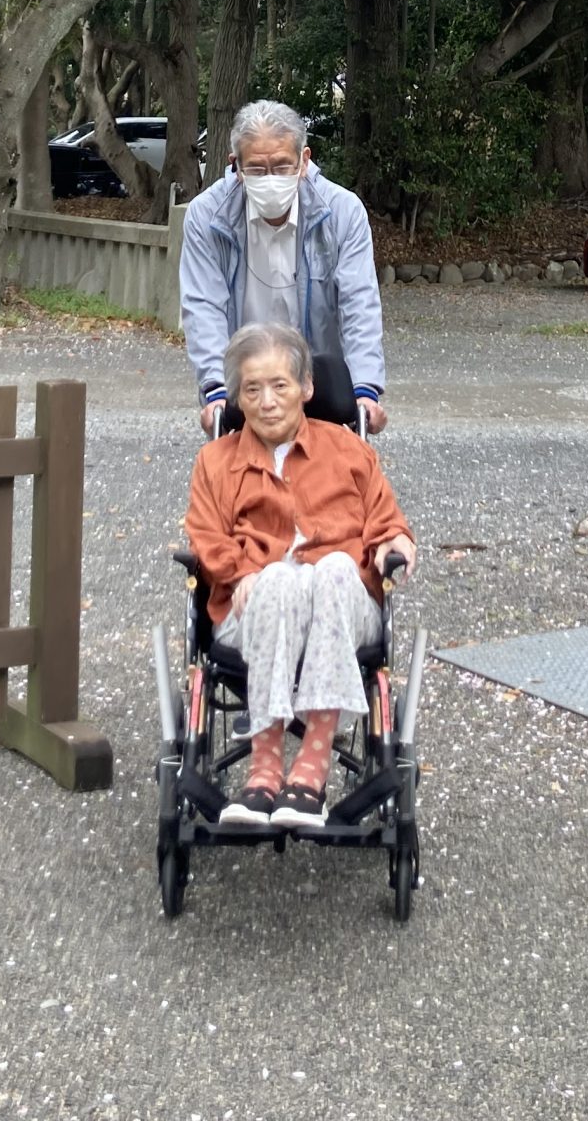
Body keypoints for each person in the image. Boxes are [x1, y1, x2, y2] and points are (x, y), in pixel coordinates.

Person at [184, 321, 416, 828]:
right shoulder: (215, 462)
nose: (267, 401)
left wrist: (394, 545)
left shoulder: (348, 450)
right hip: (253, 611)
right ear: (237, 400)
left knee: (333, 567)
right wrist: (240, 571)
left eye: (280, 386)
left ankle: (311, 767)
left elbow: (387, 523)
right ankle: (264, 771)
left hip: (342, 607)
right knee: (278, 579)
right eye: (252, 389)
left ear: (307, 388)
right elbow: (205, 534)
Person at [179, 98, 387, 435]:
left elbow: (359, 302)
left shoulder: (343, 212)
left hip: (318, 378)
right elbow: (203, 305)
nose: (271, 178)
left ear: (304, 161)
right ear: (236, 166)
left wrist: (366, 388)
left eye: (282, 165)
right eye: (258, 170)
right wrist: (215, 388)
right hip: (247, 380)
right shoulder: (206, 216)